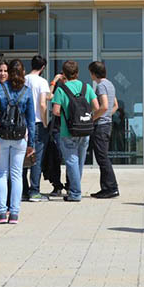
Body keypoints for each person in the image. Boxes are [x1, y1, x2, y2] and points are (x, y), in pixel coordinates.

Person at [0, 59, 35, 223]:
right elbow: (31, 120)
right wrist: (32, 143)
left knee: (2, 173)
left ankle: (1, 213)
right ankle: (14, 213)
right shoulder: (27, 91)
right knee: (16, 175)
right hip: (20, 136)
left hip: (1, 135)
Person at [50, 61, 100, 202]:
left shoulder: (61, 89)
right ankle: (74, 189)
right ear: (77, 72)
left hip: (68, 131)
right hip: (85, 130)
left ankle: (75, 193)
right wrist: (85, 116)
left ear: (63, 74)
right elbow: (96, 107)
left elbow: (56, 111)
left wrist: (69, 115)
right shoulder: (87, 87)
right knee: (79, 163)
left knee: (71, 162)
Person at [88, 61, 119, 199]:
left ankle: (110, 188)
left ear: (93, 73)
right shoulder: (110, 84)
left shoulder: (101, 86)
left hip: (100, 126)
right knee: (103, 156)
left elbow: (105, 106)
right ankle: (106, 187)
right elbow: (115, 105)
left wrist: (93, 118)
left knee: (102, 158)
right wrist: (106, 116)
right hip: (107, 124)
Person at [24, 55, 51, 202]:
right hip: (37, 122)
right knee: (36, 159)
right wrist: (45, 122)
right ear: (43, 67)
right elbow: (42, 103)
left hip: (23, 124)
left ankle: (22, 190)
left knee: (22, 157)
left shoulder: (24, 79)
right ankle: (34, 191)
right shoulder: (42, 81)